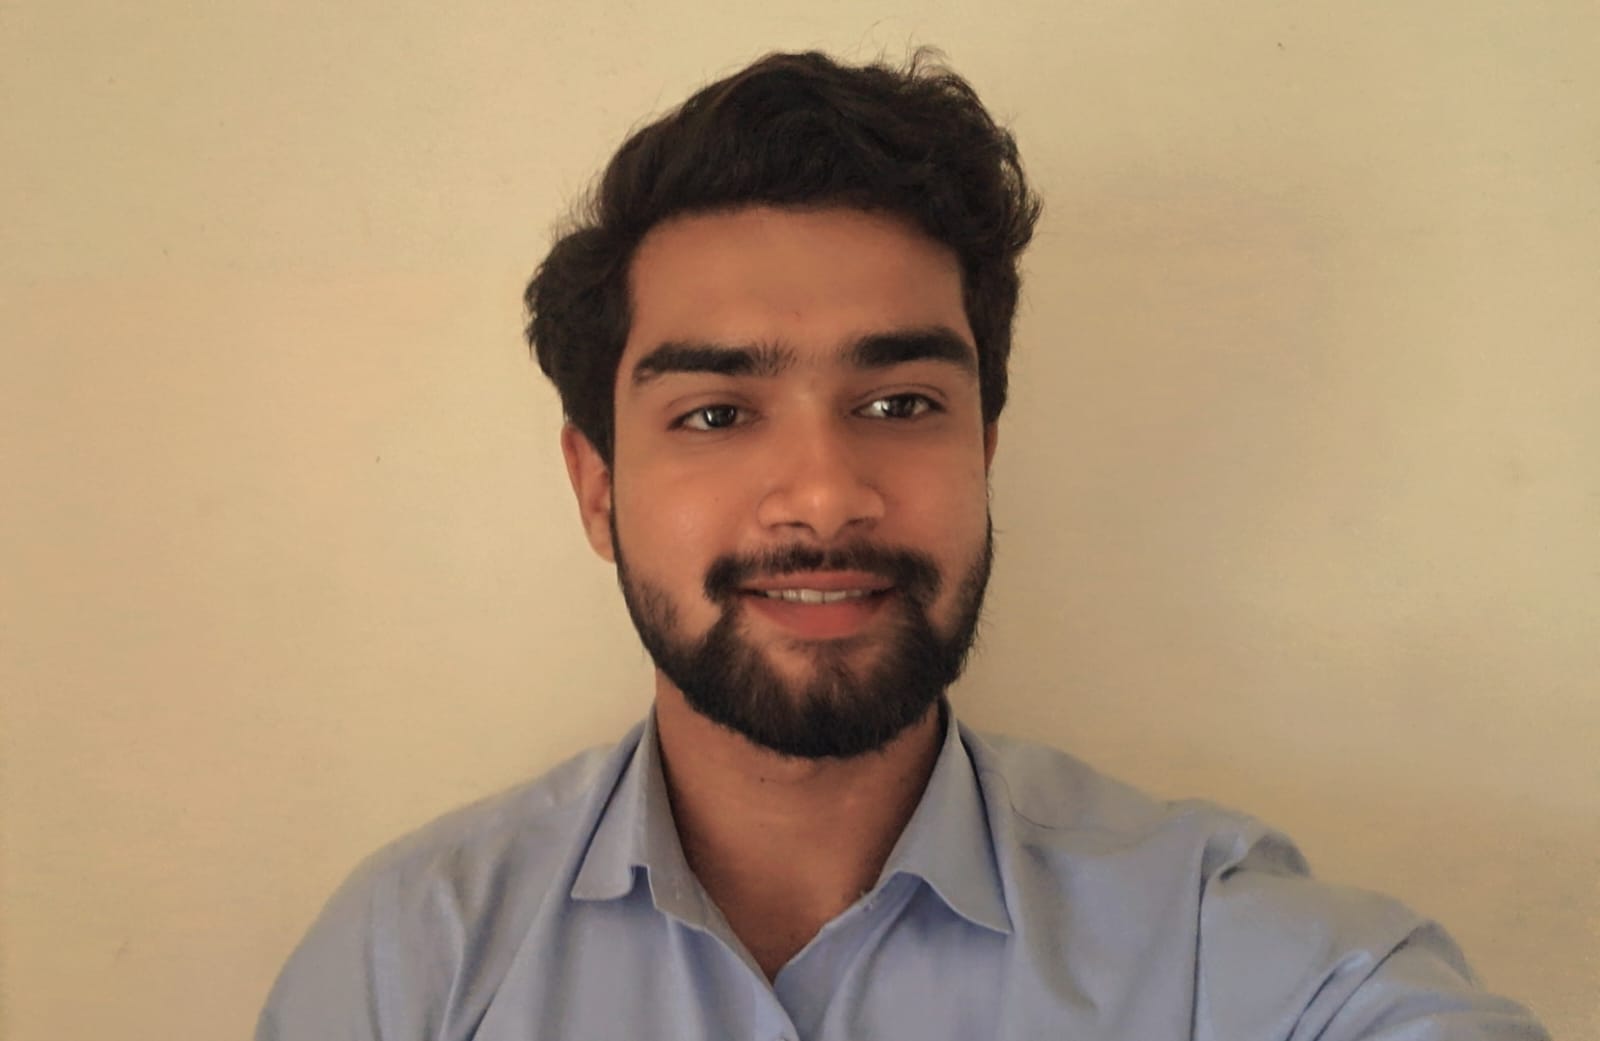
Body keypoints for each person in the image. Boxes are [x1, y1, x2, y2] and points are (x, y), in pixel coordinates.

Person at [257, 50, 1549, 1040]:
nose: (825, 496)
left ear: (983, 449)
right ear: (597, 489)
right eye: (716, 414)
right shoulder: (410, 966)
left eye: (899, 405)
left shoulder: (1215, 945)